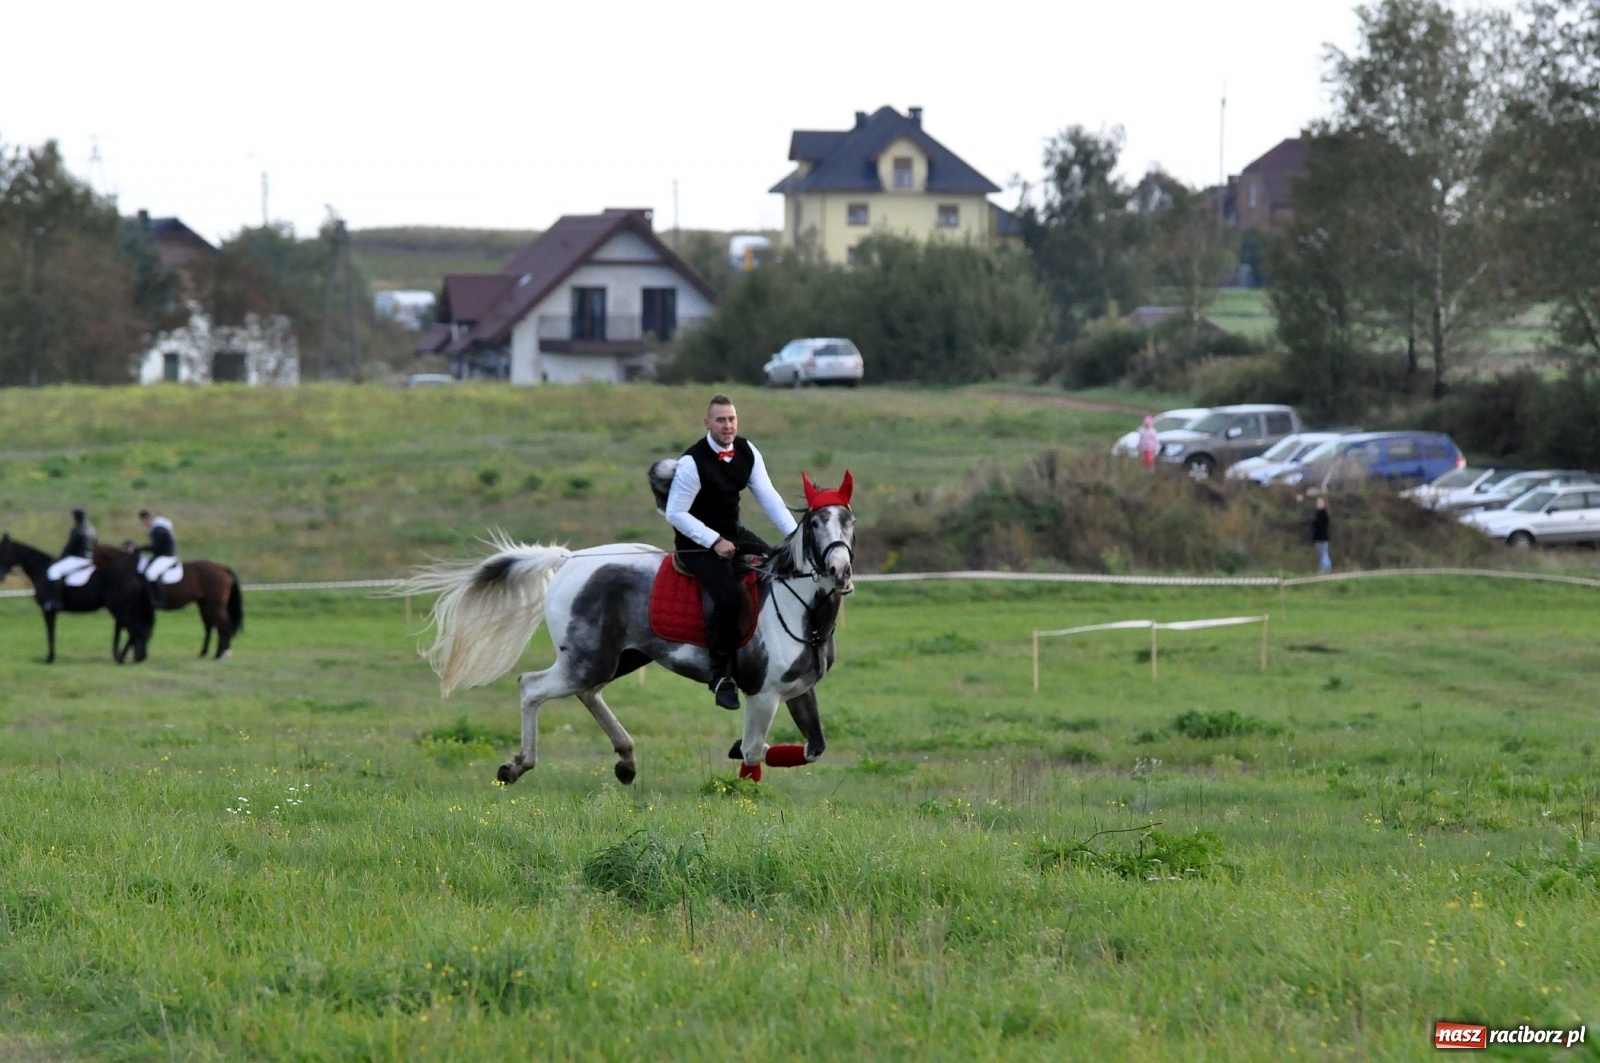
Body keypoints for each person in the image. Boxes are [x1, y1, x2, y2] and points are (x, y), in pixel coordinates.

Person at [664, 394, 798, 711]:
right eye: (721, 420)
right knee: (726, 598)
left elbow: (770, 498)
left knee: (776, 568)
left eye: (732, 419)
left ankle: (770, 650)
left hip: (733, 534)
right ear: (707, 423)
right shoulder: (692, 463)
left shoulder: (747, 452)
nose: (728, 425)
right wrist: (713, 541)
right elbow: (675, 513)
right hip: (695, 544)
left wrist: (794, 537)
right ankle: (721, 676)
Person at [43, 508, 97, 612]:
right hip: (90, 558)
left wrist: (59, 559)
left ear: (76, 517)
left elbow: (70, 547)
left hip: (78, 558)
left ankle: (56, 601)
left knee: (54, 571)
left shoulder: (77, 529)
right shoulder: (91, 529)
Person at [134, 509, 178, 607]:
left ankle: (159, 599)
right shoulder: (160, 527)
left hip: (166, 557)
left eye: (143, 522)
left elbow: (155, 547)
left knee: (150, 574)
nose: (144, 525)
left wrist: (137, 549)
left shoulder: (158, 529)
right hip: (162, 555)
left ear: (146, 519)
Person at [1311, 496, 1332, 573]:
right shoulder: (1320, 513)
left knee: (1323, 554)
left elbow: (1320, 526)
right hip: (1320, 538)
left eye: (1319, 502)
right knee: (1323, 554)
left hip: (1322, 538)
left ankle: (1325, 569)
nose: (1317, 504)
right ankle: (1325, 568)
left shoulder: (1323, 514)